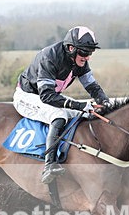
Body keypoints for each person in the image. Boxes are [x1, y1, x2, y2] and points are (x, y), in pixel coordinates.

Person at [14, 26, 111, 184]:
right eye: (85, 52)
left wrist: (105, 102)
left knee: (88, 113)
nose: (87, 57)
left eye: (90, 53)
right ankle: (49, 165)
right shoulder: (50, 57)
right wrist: (79, 105)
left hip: (49, 96)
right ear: (71, 48)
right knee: (59, 116)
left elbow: (93, 87)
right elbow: (47, 96)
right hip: (28, 96)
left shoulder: (79, 61)